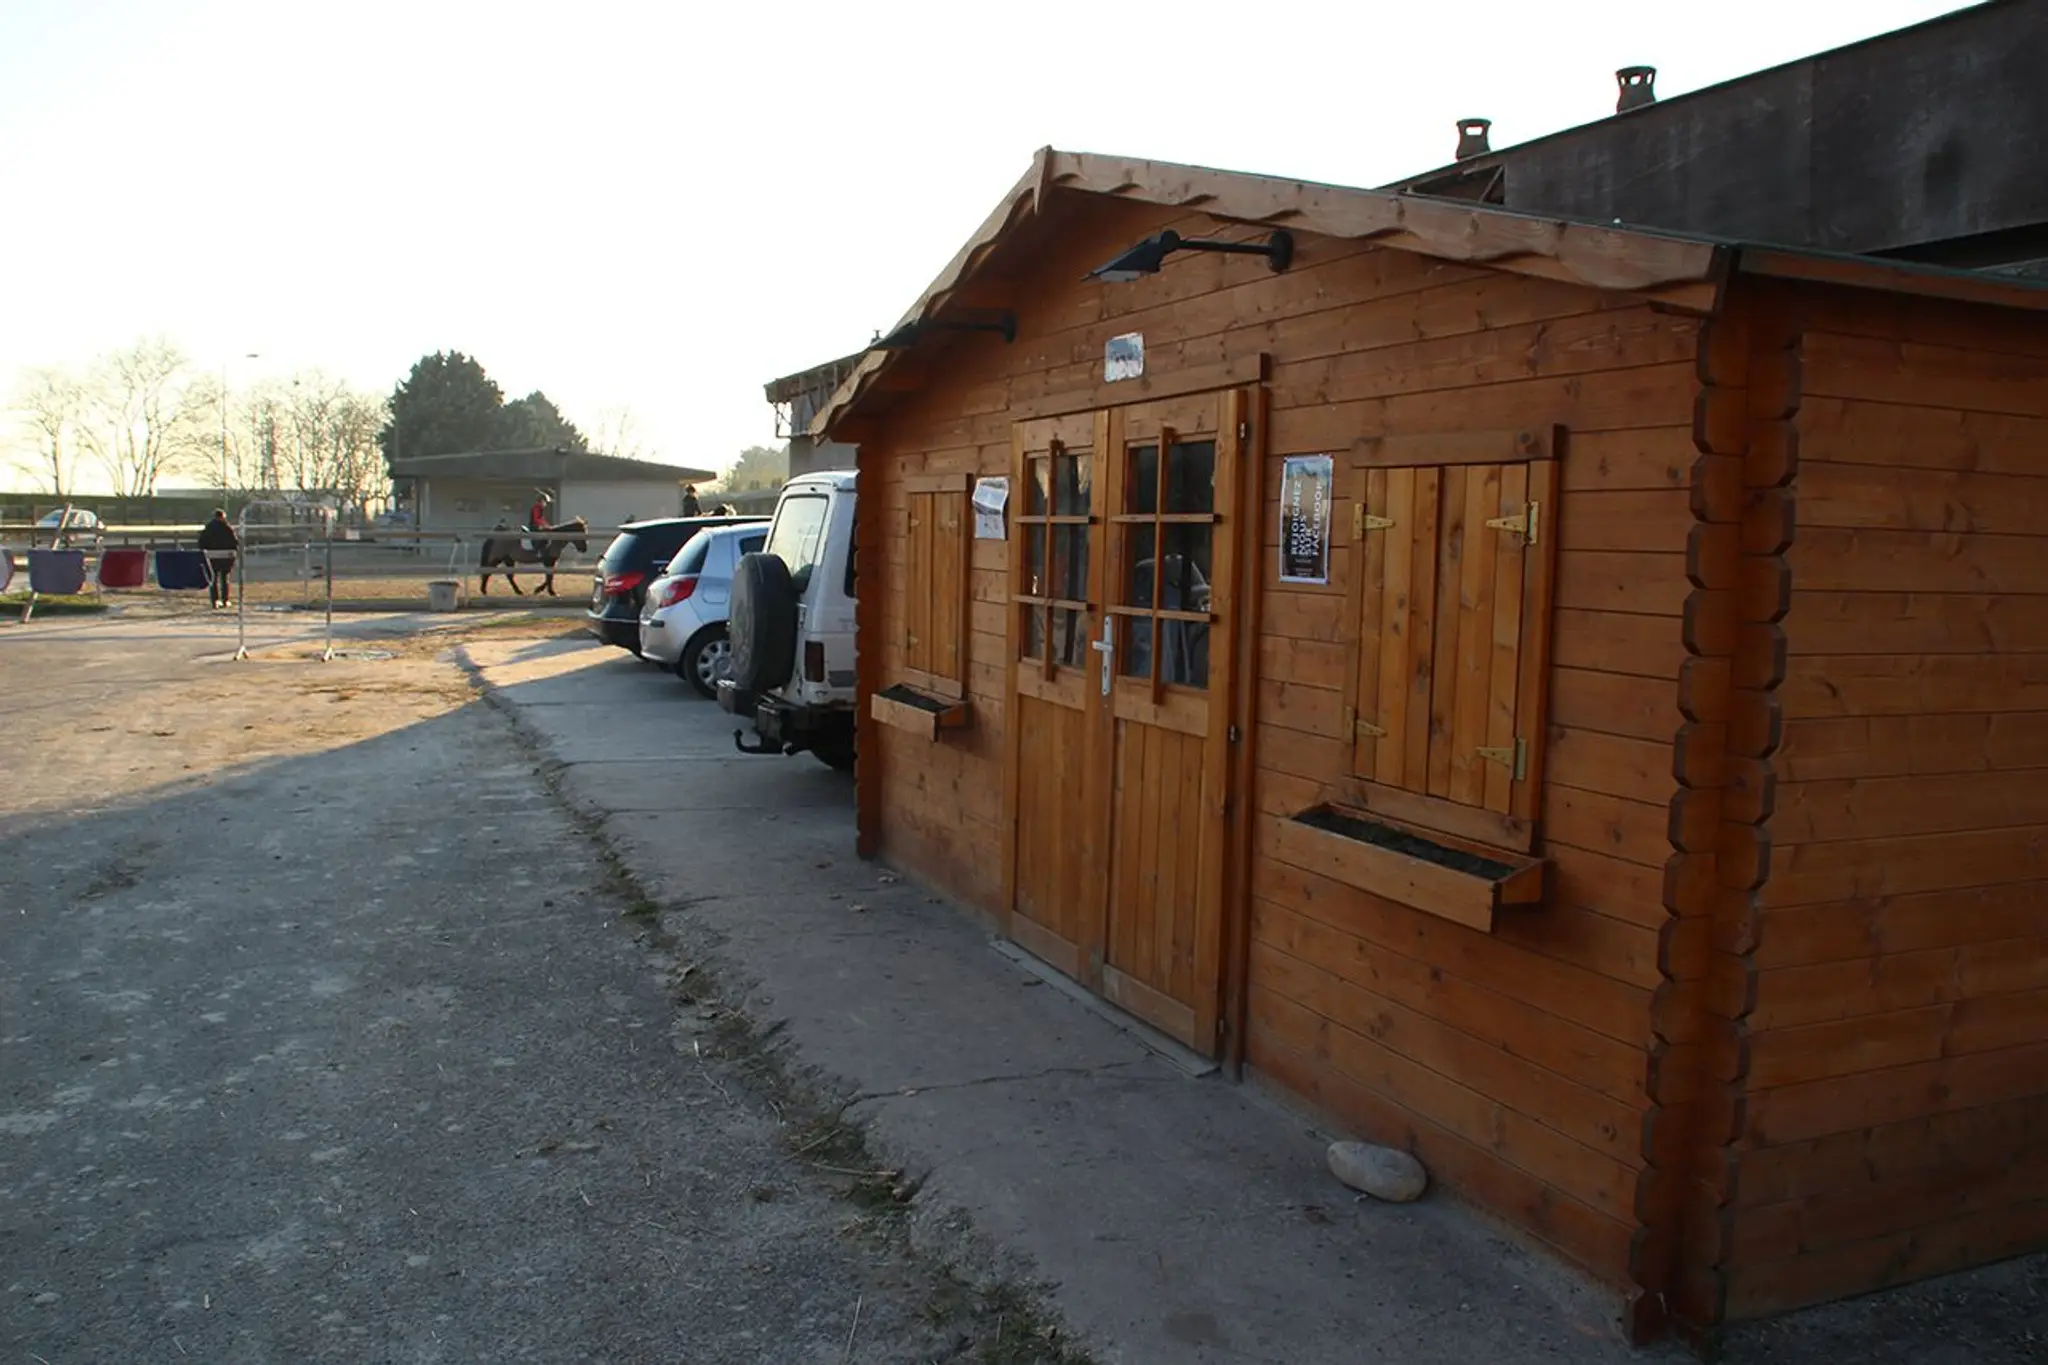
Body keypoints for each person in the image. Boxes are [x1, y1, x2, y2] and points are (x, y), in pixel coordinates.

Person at [197, 508, 239, 609]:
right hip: (225, 557)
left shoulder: (208, 528)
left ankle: (214, 601)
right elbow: (234, 543)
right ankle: (225, 600)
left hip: (211, 556)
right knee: (224, 579)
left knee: (213, 579)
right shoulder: (227, 528)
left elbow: (201, 542)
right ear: (223, 517)